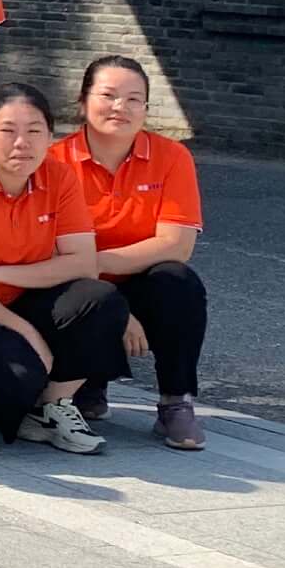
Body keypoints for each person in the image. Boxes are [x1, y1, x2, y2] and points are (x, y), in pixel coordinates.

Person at [0, 82, 126, 453]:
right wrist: (28, 334)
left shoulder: (59, 177)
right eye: (8, 130)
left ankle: (52, 406)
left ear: (50, 136)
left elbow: (83, 262)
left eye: (34, 131)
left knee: (101, 299)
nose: (22, 143)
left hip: (20, 295)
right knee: (15, 385)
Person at [52, 56, 208, 449]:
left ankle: (176, 402)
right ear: (82, 101)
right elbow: (47, 248)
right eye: (108, 95)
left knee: (178, 282)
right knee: (82, 297)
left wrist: (114, 292)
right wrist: (110, 302)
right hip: (75, 284)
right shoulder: (54, 162)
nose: (120, 107)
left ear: (146, 109)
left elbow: (176, 244)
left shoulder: (172, 157)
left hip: (135, 279)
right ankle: (87, 382)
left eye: (134, 99)